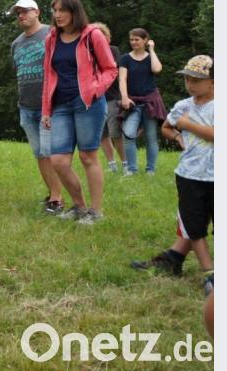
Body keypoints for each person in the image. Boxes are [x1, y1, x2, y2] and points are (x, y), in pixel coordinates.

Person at [130, 56, 213, 294]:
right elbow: (166, 126)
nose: (190, 84)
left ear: (213, 82)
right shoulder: (183, 106)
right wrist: (176, 136)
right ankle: (210, 273)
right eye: (187, 79)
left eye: (196, 80)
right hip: (189, 175)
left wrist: (186, 125)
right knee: (193, 224)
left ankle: (173, 260)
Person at [40, 0, 118, 224]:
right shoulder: (51, 38)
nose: (58, 15)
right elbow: (48, 76)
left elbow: (110, 69)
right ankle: (80, 207)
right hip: (60, 105)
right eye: (55, 10)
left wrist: (95, 89)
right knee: (58, 161)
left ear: (75, 11)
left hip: (88, 104)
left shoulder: (92, 35)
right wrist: (46, 110)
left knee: (87, 157)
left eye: (62, 10)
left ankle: (95, 212)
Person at [8, 0, 63, 213]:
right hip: (26, 105)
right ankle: (52, 194)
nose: (21, 16)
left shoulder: (52, 33)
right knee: (40, 153)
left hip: (48, 104)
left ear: (37, 12)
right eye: (18, 13)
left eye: (25, 11)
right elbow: (17, 71)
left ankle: (57, 199)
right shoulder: (16, 43)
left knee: (49, 152)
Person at [118, 28, 166, 176]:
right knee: (128, 134)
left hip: (150, 102)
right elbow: (122, 79)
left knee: (151, 137)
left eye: (137, 39)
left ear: (145, 40)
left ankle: (150, 170)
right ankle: (132, 170)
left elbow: (157, 69)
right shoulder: (125, 58)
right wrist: (124, 97)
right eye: (131, 39)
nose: (133, 42)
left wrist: (151, 49)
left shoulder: (151, 57)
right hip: (132, 103)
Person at [91, 22, 127, 173]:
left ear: (107, 37)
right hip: (95, 99)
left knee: (115, 133)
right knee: (102, 134)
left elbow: (114, 70)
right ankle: (112, 165)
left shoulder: (112, 50)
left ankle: (125, 164)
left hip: (112, 97)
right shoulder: (88, 52)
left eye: (102, 35)